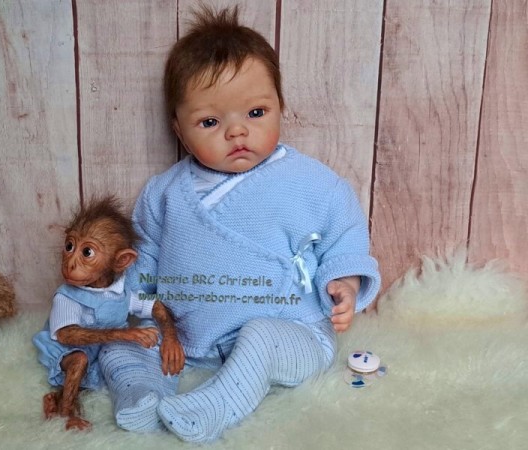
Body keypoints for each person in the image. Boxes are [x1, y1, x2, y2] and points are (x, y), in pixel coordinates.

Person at [99, 5, 380, 442]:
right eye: (210, 121)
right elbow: (146, 257)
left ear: (280, 106)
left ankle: (217, 404)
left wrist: (343, 281)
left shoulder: (310, 183)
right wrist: (127, 300)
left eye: (256, 113)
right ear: (179, 129)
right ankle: (141, 392)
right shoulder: (165, 192)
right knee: (122, 344)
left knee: (260, 337)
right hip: (187, 336)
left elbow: (343, 235)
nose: (237, 132)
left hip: (294, 331)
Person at [32, 196, 184, 430]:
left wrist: (171, 337)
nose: (70, 262)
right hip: (65, 350)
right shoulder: (67, 296)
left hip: (100, 352)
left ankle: (144, 395)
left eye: (87, 252)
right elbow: (66, 335)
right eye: (70, 246)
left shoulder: (121, 293)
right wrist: (123, 334)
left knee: (137, 349)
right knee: (79, 361)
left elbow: (155, 305)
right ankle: (66, 413)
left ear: (121, 261)